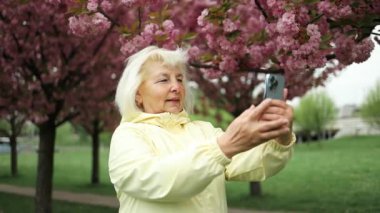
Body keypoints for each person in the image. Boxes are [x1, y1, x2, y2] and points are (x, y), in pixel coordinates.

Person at [109, 46, 296, 213]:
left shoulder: (204, 131)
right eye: (163, 80)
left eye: (180, 79)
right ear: (137, 94)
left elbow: (254, 164)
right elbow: (158, 182)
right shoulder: (127, 135)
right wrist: (222, 148)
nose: (176, 87)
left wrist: (279, 137)